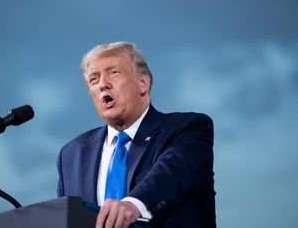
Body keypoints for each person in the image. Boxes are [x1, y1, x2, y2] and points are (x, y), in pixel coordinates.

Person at [57, 41, 216, 228]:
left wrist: (133, 204)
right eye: (94, 79)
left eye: (113, 72)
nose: (102, 85)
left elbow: (170, 174)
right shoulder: (71, 154)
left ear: (143, 83)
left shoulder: (187, 129)